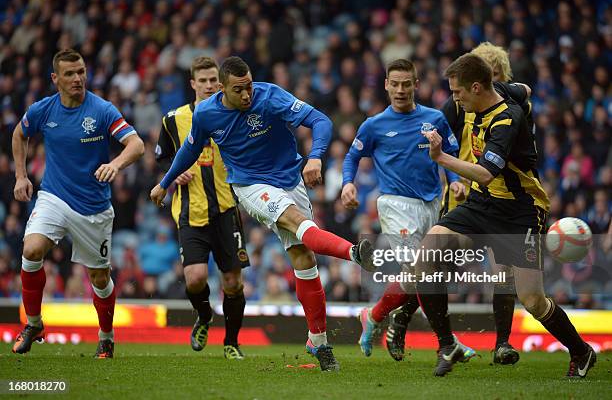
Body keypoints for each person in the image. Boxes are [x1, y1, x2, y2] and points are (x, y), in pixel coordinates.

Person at [151, 56, 375, 372]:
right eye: (239, 90)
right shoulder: (207, 114)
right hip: (249, 185)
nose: (247, 95)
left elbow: (320, 121)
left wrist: (315, 157)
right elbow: (188, 149)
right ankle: (354, 253)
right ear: (223, 89)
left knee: (304, 259)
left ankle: (318, 342)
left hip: (290, 176)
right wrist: (165, 183)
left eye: (249, 86)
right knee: (298, 222)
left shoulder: (270, 96)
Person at [418, 53, 595, 378]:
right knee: (426, 256)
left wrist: (441, 157)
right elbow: (524, 89)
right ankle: (447, 344)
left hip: (519, 213)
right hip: (481, 205)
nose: (454, 100)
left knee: (533, 300)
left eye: (458, 93)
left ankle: (581, 351)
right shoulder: (495, 93)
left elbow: (485, 173)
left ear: (476, 88)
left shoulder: (507, 119)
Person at [387, 43, 533, 365]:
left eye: (496, 77)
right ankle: (403, 316)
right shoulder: (456, 105)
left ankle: (502, 344)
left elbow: (524, 90)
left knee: (503, 270)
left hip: (500, 196)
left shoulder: (508, 105)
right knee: (439, 265)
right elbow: (434, 138)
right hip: (464, 191)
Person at [11, 49, 144, 358]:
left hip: (93, 207)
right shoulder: (44, 110)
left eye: (81, 71)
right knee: (30, 251)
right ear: (55, 79)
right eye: (70, 74)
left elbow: (136, 145)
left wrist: (116, 164)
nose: (78, 78)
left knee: (99, 277)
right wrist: (21, 175)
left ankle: (106, 336)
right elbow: (20, 134)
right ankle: (33, 324)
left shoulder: (102, 110)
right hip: (54, 196)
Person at [341, 59, 474, 361]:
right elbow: (352, 156)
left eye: (406, 84)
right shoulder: (374, 125)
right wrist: (348, 184)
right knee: (421, 273)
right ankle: (447, 341)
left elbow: (450, 153)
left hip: (432, 203)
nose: (400, 90)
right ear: (386, 84)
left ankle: (376, 316)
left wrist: (454, 182)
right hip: (395, 206)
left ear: (416, 85)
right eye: (395, 83)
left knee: (425, 274)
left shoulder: (435, 118)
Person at [155, 56, 250, 360]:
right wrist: (174, 170)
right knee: (195, 278)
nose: (210, 85)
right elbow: (162, 156)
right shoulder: (173, 120)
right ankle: (205, 316)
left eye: (214, 81)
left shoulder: (236, 114)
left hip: (225, 209)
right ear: (193, 83)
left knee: (233, 283)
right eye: (204, 80)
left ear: (221, 84)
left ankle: (231, 343)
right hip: (189, 212)